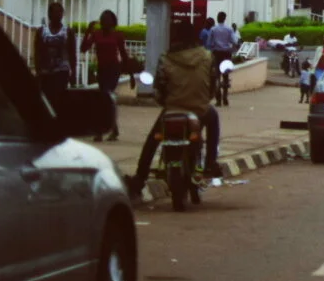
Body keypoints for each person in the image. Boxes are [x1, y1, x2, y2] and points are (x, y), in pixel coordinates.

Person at [129, 26, 221, 192]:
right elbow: (213, 86)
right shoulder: (207, 57)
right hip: (200, 108)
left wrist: (166, 103)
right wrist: (204, 100)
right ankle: (210, 164)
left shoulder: (166, 58)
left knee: (152, 141)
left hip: (173, 109)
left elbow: (159, 88)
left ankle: (140, 177)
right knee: (213, 121)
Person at [82, 10, 129, 141]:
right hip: (102, 70)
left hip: (113, 69)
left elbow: (124, 54)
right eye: (103, 20)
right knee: (105, 99)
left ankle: (100, 131)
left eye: (108, 20)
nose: (105, 22)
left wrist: (130, 74)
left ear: (113, 22)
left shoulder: (117, 35)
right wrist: (87, 32)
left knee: (105, 98)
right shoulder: (96, 34)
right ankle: (113, 129)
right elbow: (83, 48)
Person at [34, 3, 74, 112]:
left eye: (60, 12)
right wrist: (38, 70)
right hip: (46, 71)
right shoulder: (42, 31)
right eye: (55, 12)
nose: (58, 15)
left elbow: (72, 52)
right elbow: (37, 51)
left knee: (60, 97)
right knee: (47, 99)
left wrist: (73, 71)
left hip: (62, 71)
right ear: (49, 14)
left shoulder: (68, 31)